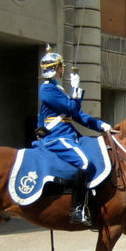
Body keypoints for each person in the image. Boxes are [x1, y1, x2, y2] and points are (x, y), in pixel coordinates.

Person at [36, 46, 113, 225]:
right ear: (57, 68)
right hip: (56, 136)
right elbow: (71, 109)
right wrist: (76, 90)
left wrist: (101, 125)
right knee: (85, 163)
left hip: (69, 135)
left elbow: (77, 116)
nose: (63, 70)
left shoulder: (59, 89)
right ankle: (77, 209)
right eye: (61, 66)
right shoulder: (47, 90)